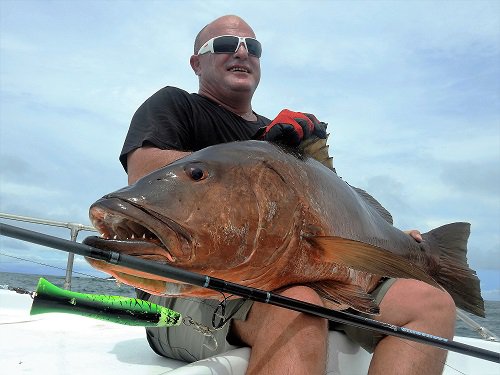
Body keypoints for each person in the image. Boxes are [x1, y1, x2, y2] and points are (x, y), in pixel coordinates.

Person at [120, 15, 456, 375]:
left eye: (253, 48)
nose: (241, 53)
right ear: (197, 63)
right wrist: (254, 156)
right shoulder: (175, 105)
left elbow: (338, 213)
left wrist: (393, 240)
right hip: (187, 294)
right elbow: (145, 171)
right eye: (224, 45)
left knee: (431, 304)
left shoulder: (283, 138)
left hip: (306, 279)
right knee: (299, 304)